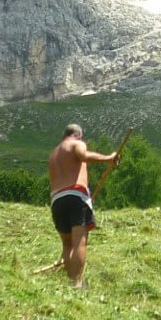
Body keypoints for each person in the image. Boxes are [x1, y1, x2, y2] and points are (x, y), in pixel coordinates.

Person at [47, 123, 119, 289]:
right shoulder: (76, 143)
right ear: (78, 135)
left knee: (67, 245)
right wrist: (108, 158)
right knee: (79, 241)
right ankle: (77, 283)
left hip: (57, 200)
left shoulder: (54, 153)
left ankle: (70, 282)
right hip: (75, 196)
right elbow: (83, 156)